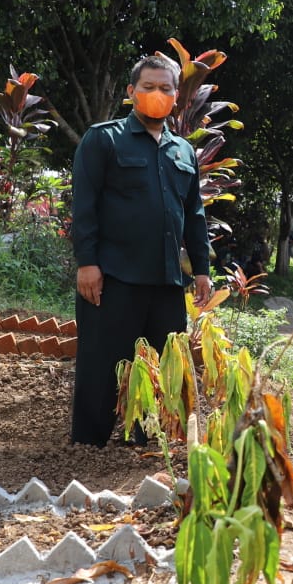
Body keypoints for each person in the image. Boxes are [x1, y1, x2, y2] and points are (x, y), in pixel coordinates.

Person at [69, 54, 213, 447]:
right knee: (102, 365)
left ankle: (145, 442)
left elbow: (194, 214)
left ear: (177, 97)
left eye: (166, 88)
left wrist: (201, 270)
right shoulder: (103, 139)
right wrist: (87, 264)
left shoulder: (183, 152)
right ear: (131, 92)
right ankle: (88, 447)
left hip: (166, 283)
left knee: (160, 370)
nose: (157, 94)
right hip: (113, 278)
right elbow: (84, 206)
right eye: (148, 87)